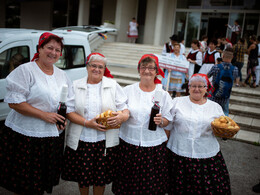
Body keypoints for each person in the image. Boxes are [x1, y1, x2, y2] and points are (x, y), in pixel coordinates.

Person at [0, 32, 73, 194]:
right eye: (49, 48)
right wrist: (44, 115)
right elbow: (14, 102)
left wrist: (63, 118)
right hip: (26, 135)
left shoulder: (62, 75)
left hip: (51, 137)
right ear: (39, 48)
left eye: (57, 50)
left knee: (41, 180)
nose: (53, 53)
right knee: (25, 182)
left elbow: (67, 102)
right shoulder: (26, 70)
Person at [61, 53, 130, 195]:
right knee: (83, 177)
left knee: (100, 178)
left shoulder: (112, 85)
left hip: (104, 140)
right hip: (82, 139)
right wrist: (87, 123)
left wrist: (122, 117)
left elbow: (124, 107)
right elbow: (69, 111)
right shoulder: (76, 85)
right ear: (87, 67)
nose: (97, 69)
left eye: (100, 67)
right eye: (93, 66)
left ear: (104, 69)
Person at [112, 54, 173, 194]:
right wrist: (122, 115)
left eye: (151, 68)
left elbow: (168, 119)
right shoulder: (128, 90)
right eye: (143, 67)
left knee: (151, 186)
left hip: (153, 146)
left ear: (157, 72)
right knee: (127, 185)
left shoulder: (163, 94)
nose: (147, 71)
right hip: (129, 144)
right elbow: (120, 109)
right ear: (139, 70)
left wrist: (161, 121)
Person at [166, 73, 231, 195]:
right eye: (193, 86)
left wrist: (224, 131)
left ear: (206, 88)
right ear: (188, 87)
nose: (196, 89)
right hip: (178, 153)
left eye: (200, 86)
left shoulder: (215, 107)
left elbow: (221, 127)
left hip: (205, 155)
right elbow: (168, 127)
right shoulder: (177, 102)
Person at [208, 48, 239, 116]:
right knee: (225, 114)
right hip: (226, 96)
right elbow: (236, 79)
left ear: (223, 56)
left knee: (210, 113)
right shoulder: (235, 69)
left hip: (214, 95)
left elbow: (207, 77)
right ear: (232, 57)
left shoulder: (216, 67)